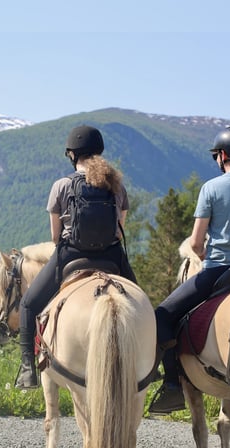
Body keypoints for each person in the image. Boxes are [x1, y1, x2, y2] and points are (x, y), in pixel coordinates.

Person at [150, 126, 230, 413]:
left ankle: (172, 385)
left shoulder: (211, 188)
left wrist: (202, 251)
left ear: (222, 156)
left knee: (162, 315)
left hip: (218, 271)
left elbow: (196, 242)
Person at [14, 125, 138, 389]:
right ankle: (151, 364)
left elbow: (56, 235)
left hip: (71, 255)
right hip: (112, 256)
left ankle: (27, 369)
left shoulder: (62, 185)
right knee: (142, 306)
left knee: (28, 304)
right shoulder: (116, 185)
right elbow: (119, 229)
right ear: (99, 152)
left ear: (72, 154)